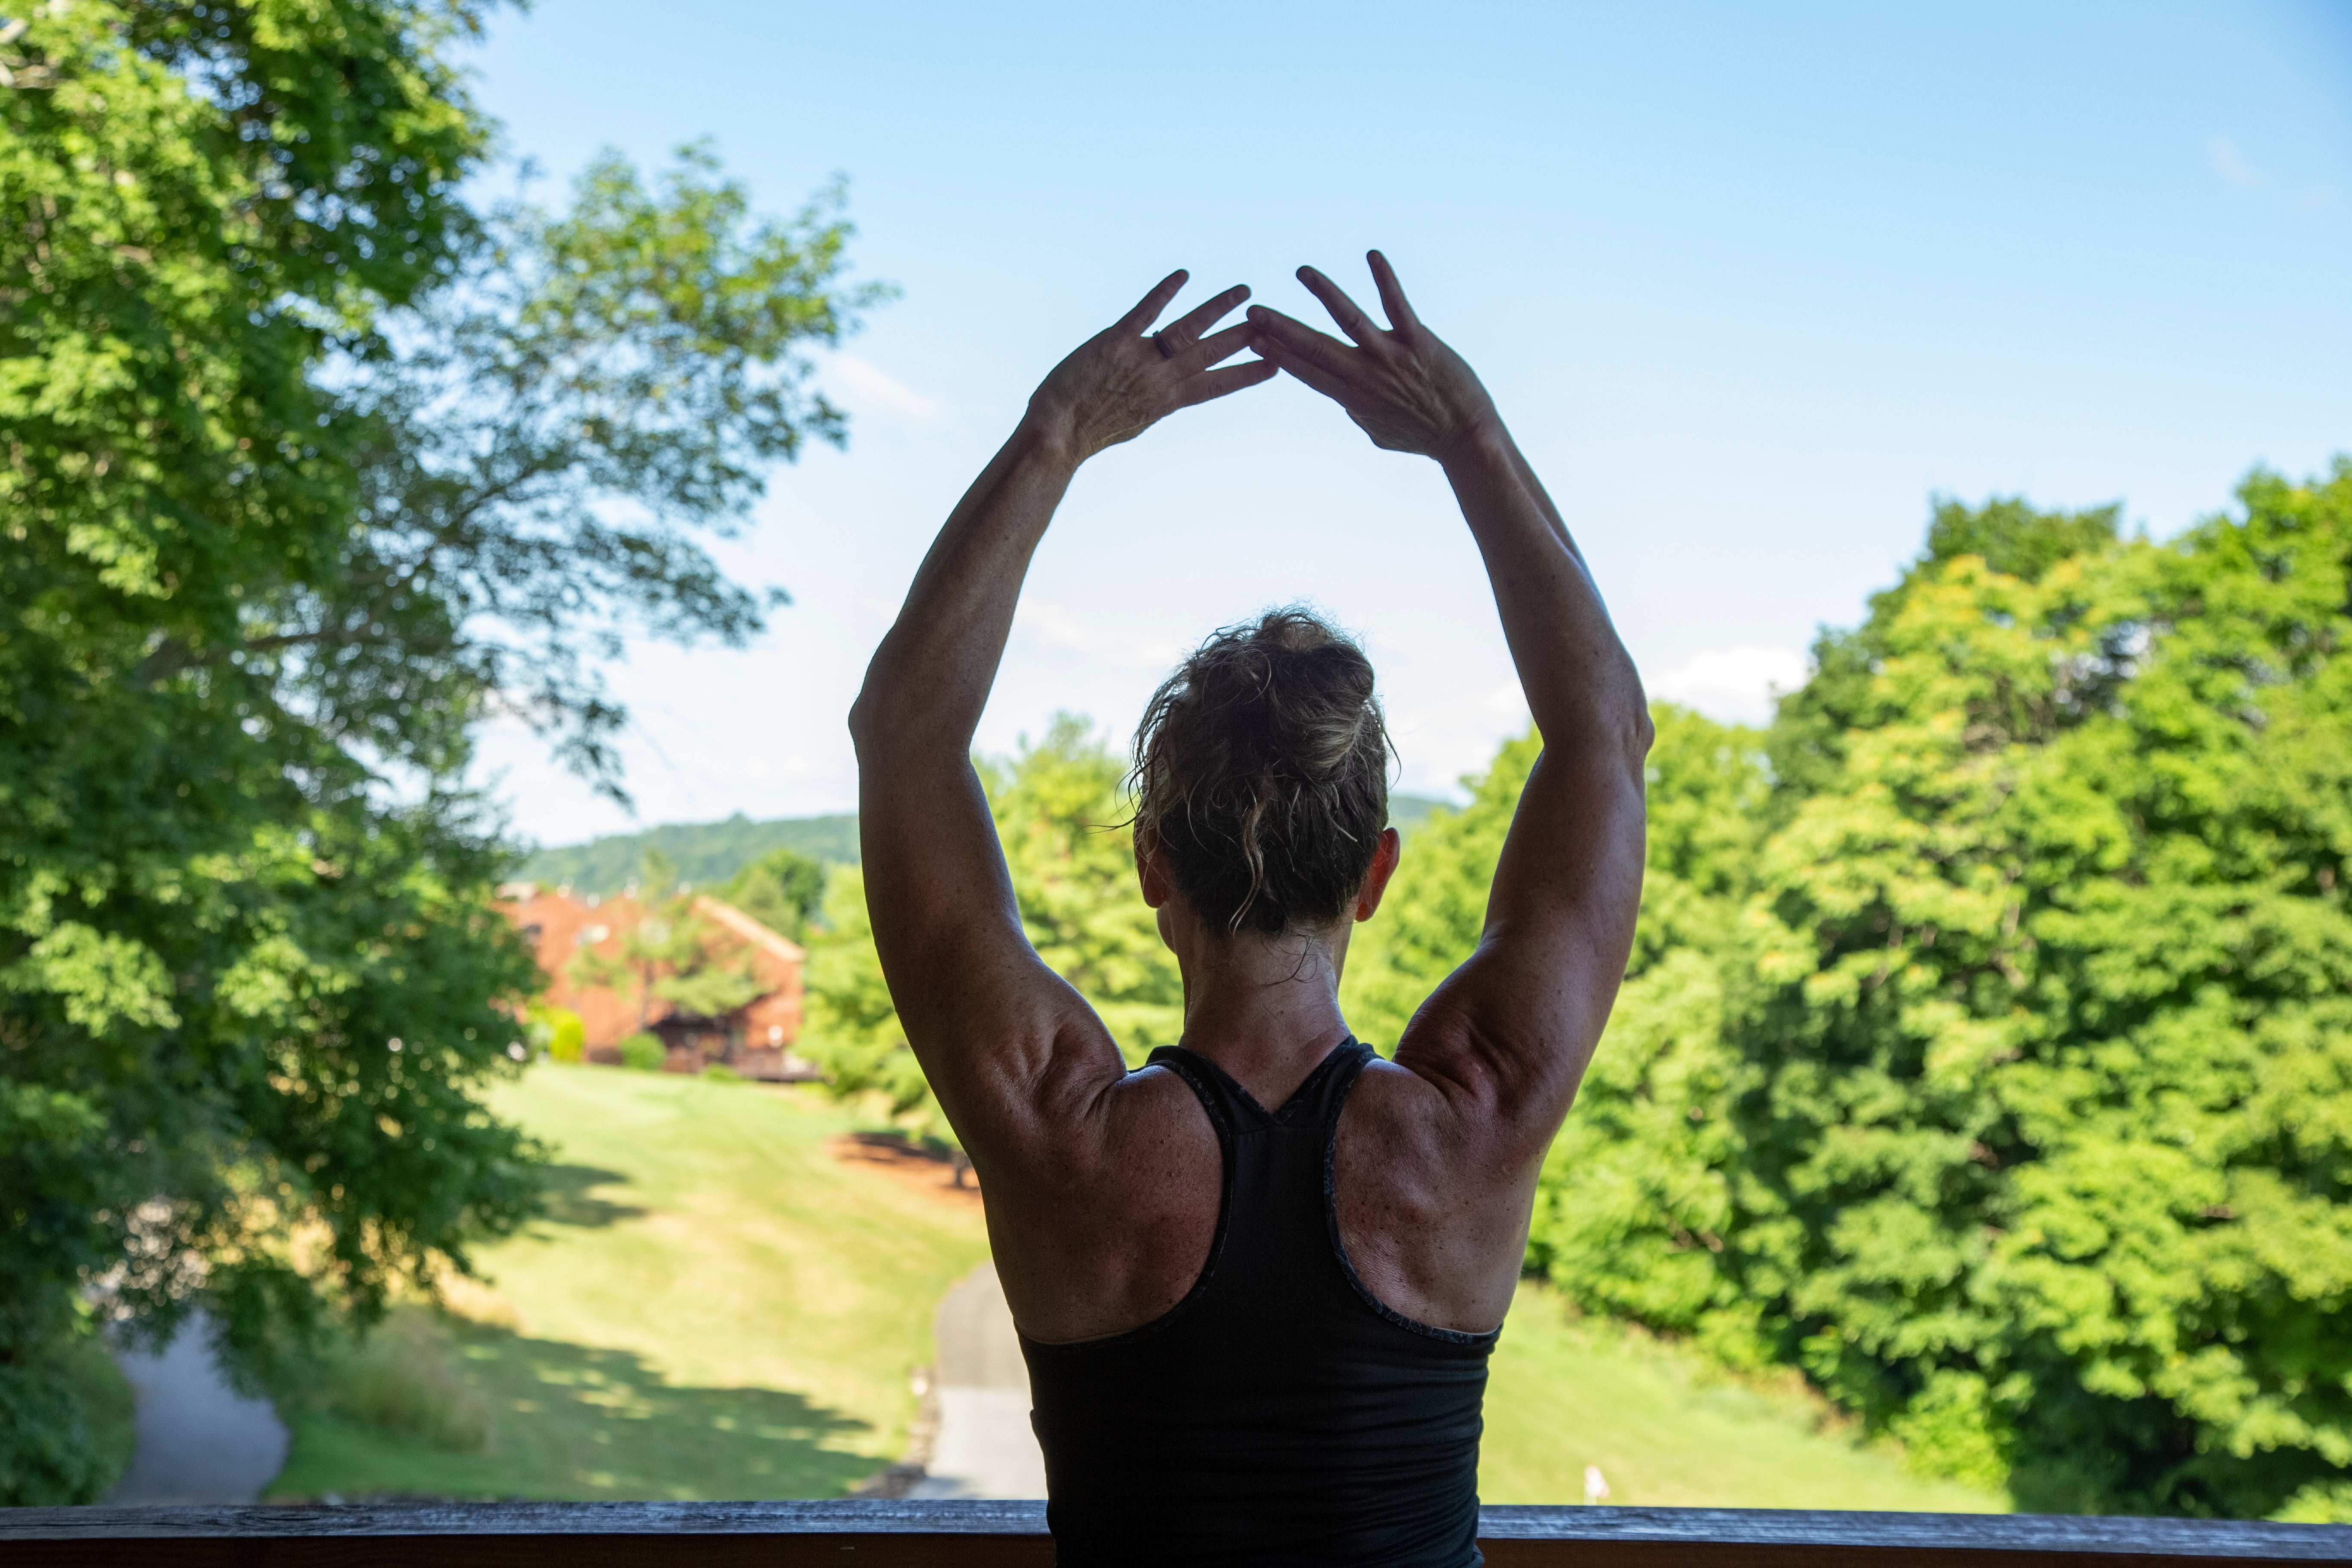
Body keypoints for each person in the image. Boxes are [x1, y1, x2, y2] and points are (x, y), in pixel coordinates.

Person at [849, 254, 1650, 1566]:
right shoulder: (1473, 1120)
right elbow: (1604, 735)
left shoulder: (1057, 1130)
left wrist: (1059, 434)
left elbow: (904, 735)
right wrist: (1471, 439)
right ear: (1375, 874)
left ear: (1154, 864)